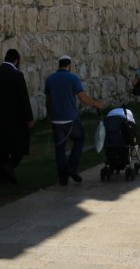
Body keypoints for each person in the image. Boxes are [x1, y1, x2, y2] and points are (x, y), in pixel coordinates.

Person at [44, 54, 104, 185]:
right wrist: (95, 103)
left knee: (59, 148)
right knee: (80, 138)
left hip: (56, 120)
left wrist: (49, 115)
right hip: (71, 119)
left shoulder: (49, 79)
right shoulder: (73, 78)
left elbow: (47, 100)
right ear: (69, 65)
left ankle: (63, 178)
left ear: (59, 65)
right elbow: (82, 97)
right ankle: (71, 167)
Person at [0, 48, 35, 183]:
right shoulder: (17, 75)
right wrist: (29, 118)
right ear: (16, 60)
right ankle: (10, 166)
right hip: (15, 117)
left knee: (2, 146)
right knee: (22, 142)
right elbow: (24, 98)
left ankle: (4, 176)